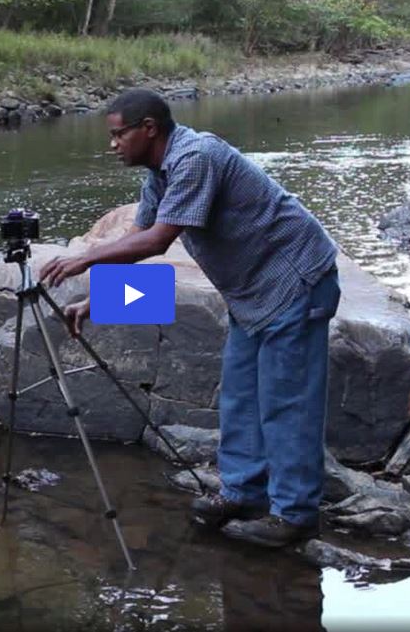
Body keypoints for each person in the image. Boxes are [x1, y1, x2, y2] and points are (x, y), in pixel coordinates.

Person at [39, 88, 340, 548]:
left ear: (149, 129)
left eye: (119, 134)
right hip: (250, 293)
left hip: (294, 282)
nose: (113, 144)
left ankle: (295, 516)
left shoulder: (196, 156)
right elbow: (140, 236)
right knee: (240, 398)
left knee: (285, 403)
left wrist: (85, 259)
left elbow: (158, 242)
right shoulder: (160, 174)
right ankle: (242, 492)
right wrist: (98, 302)